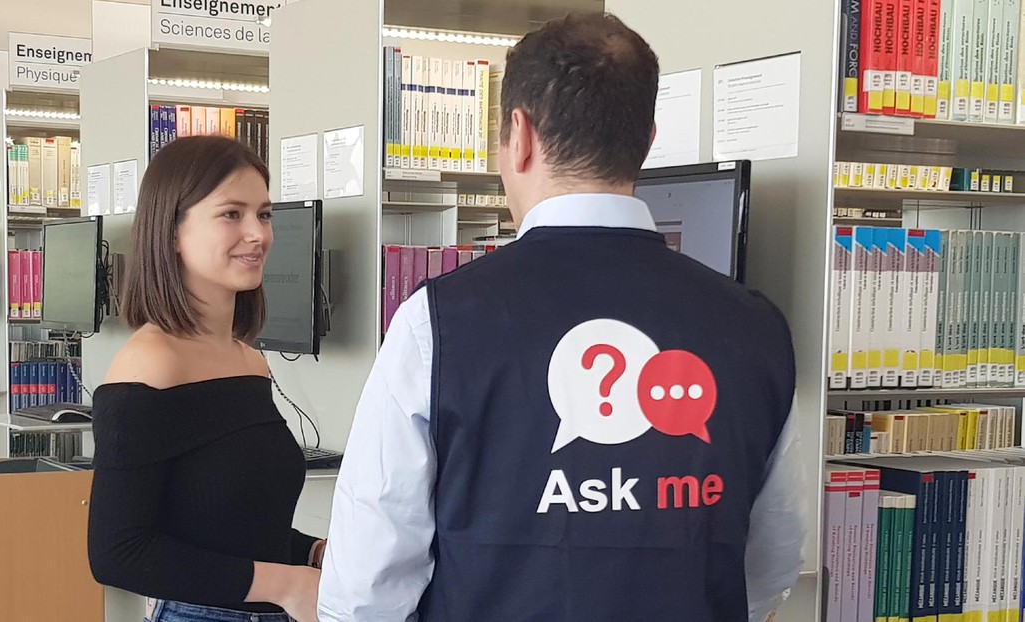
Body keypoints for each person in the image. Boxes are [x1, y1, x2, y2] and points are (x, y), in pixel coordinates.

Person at [318, 12, 804, 622]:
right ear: (648, 139)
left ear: (519, 135)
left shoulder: (436, 322)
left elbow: (365, 589)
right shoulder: (757, 327)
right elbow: (768, 564)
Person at [87, 135, 323, 622]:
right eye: (231, 214)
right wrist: (287, 584)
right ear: (172, 231)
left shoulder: (248, 361)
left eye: (264, 214)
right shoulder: (151, 365)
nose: (257, 234)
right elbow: (117, 552)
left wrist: (311, 552)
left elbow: (229, 526)